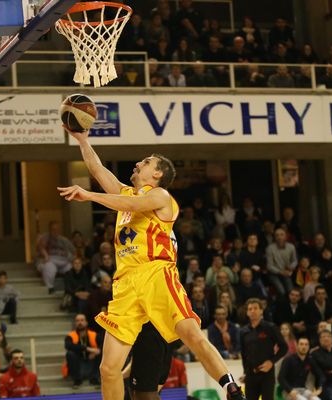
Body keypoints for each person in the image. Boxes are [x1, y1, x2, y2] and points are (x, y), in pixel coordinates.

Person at [60, 127, 245, 400]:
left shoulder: (160, 196)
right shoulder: (126, 196)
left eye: (145, 162)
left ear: (157, 174)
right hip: (125, 284)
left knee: (191, 334)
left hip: (156, 274)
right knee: (109, 368)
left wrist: (89, 196)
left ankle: (231, 387)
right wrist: (82, 140)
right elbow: (98, 170)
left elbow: (132, 204)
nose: (137, 164)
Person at [239, 299, 288, 400]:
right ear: (247, 312)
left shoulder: (270, 327)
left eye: (256, 308)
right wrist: (245, 372)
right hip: (250, 375)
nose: (253, 311)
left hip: (267, 374)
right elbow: (244, 354)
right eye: (250, 309)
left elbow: (284, 347)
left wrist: (271, 362)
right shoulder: (243, 331)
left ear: (261, 310)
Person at [35, 221, 75, 294]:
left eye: (57, 229)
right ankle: (50, 287)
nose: (55, 231)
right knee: (49, 267)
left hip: (63, 261)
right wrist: (46, 256)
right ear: (50, 229)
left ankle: (70, 289)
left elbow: (73, 251)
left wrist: (71, 258)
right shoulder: (45, 237)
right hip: (50, 260)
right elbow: (41, 247)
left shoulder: (64, 240)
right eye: (53, 229)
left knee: (70, 268)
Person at [65, 314, 101, 389]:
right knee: (70, 354)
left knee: (100, 352)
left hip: (91, 364)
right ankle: (77, 380)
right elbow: (68, 346)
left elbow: (103, 345)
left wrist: (97, 351)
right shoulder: (70, 336)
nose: (80, 322)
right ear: (75, 323)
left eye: (82, 320)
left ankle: (94, 379)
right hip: (78, 365)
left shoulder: (94, 334)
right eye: (77, 321)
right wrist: (87, 348)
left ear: (86, 322)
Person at [266, 228, 297, 297]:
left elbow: (295, 261)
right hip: (274, 274)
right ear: (274, 237)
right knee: (281, 291)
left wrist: (291, 267)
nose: (279, 237)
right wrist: (281, 272)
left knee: (291, 291)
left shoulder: (291, 247)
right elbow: (269, 266)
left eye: (281, 235)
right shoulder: (270, 248)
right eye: (277, 235)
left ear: (286, 236)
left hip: (286, 272)